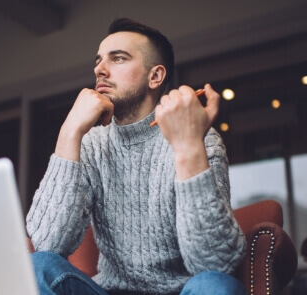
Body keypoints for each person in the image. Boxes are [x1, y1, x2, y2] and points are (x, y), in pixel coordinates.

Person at [26, 18, 247, 295]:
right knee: (36, 266)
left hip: (181, 292)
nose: (100, 70)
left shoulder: (200, 137)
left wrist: (188, 146)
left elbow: (215, 262)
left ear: (155, 76)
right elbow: (49, 244)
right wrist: (70, 131)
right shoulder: (91, 144)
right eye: (98, 61)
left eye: (117, 59)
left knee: (216, 285)